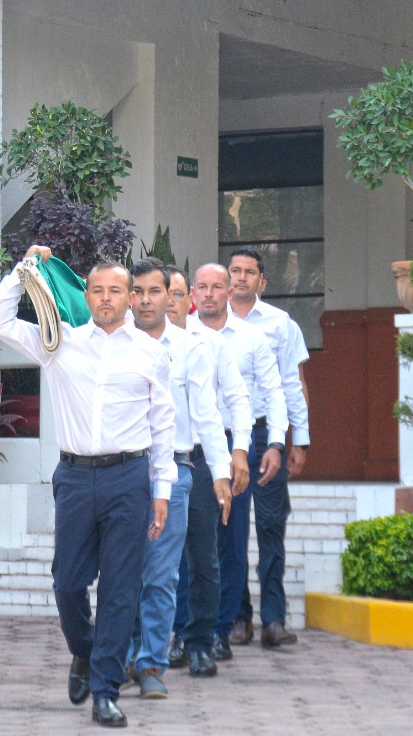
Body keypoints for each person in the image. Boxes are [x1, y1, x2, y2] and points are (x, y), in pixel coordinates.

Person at [0, 247, 175, 728]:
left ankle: (105, 692)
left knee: (120, 590)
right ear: (86, 296)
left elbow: (163, 425)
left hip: (129, 478)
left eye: (116, 290)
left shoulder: (152, 352)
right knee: (67, 583)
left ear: (130, 298)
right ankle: (85, 652)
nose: (106, 298)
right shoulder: (58, 342)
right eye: (98, 290)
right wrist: (24, 269)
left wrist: (163, 490)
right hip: (73, 476)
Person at [124, 259, 232, 699]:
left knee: (162, 575)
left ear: (171, 297)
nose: (146, 300)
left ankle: (151, 663)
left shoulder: (191, 348)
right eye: (139, 292)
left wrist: (221, 472)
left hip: (176, 471)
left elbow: (207, 413)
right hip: (124, 472)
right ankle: (124, 655)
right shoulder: (115, 344)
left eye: (156, 291)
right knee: (124, 573)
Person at [188, 263, 288, 661]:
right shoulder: (180, 335)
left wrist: (274, 442)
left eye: (217, 287)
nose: (209, 294)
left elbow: (273, 392)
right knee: (193, 543)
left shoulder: (251, 338)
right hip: (192, 449)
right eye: (202, 287)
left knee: (230, 540)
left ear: (229, 292)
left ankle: (221, 629)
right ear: (192, 293)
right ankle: (189, 629)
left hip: (236, 447)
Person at [164, 265, 251, 678]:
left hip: (198, 461)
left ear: (190, 301)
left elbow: (234, 401)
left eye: (177, 294)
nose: (169, 301)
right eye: (161, 292)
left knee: (203, 557)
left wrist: (236, 454)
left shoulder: (210, 344)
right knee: (163, 559)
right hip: (152, 461)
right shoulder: (137, 343)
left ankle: (200, 641)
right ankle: (172, 636)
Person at [227, 248, 312, 648]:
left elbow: (294, 384)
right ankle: (237, 617)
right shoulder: (206, 323)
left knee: (270, 525)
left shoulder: (280, 324)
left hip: (266, 436)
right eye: (235, 270)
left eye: (249, 272)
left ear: (262, 281)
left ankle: (274, 620)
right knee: (228, 528)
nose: (241, 277)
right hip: (225, 437)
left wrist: (299, 440)